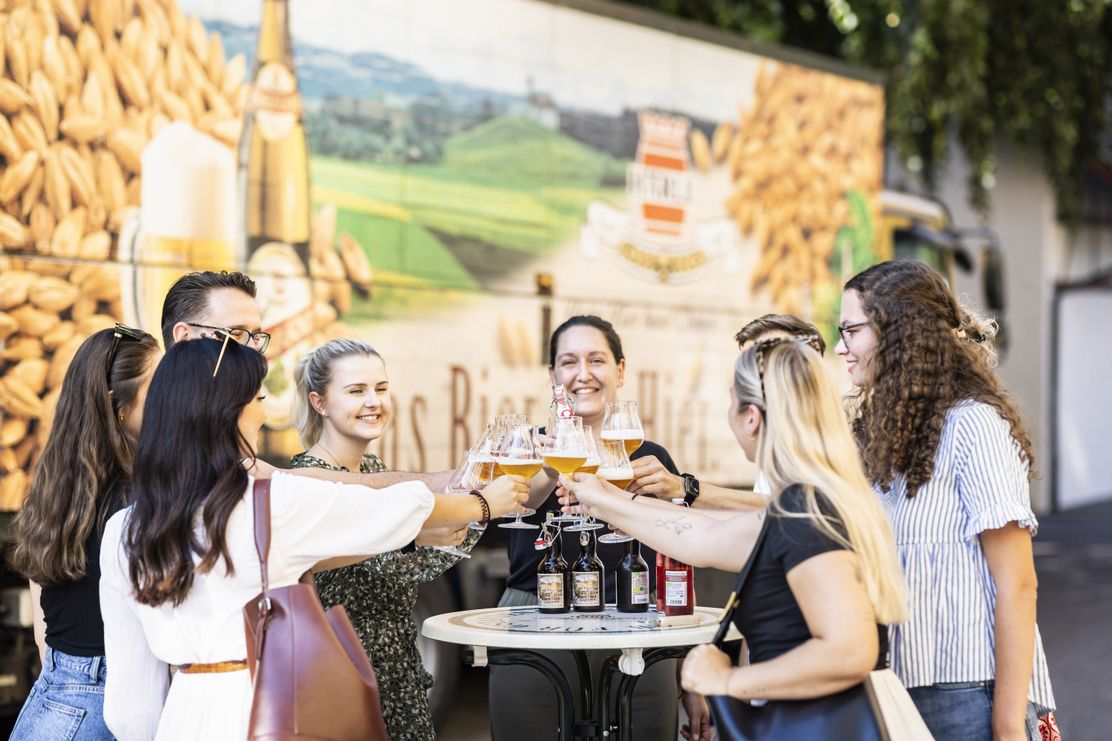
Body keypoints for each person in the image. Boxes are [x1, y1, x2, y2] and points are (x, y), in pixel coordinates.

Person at [97, 338, 525, 740]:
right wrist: (482, 504)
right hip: (268, 710)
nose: (262, 413)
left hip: (183, 716)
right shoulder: (268, 504)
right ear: (231, 410)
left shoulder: (123, 529)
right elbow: (392, 510)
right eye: (258, 399)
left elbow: (129, 708)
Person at [560, 336, 908, 734]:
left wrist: (727, 682)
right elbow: (702, 535)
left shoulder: (805, 514)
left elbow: (848, 650)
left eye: (731, 401)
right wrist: (602, 499)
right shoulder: (811, 501)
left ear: (751, 417)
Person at [837, 260, 1055, 740]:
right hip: (897, 687)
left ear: (899, 332)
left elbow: (1018, 584)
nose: (840, 347)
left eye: (850, 330)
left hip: (969, 695)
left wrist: (1006, 726)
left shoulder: (974, 425)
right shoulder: (888, 433)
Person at [489, 315, 684, 741]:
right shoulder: (529, 448)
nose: (583, 374)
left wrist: (690, 674)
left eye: (596, 360)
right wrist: (554, 457)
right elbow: (513, 502)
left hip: (635, 616)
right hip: (533, 615)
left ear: (620, 370)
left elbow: (680, 552)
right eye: (568, 362)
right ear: (552, 376)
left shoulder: (649, 458)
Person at [290, 339, 478, 741]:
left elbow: (413, 560)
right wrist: (476, 508)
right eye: (357, 391)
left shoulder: (374, 468)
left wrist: (465, 519)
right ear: (319, 402)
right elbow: (389, 554)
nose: (374, 401)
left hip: (396, 674)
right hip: (343, 675)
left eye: (381, 388)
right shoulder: (307, 479)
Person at [9, 325, 161, 740]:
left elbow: (39, 588)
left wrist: (67, 671)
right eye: (160, 386)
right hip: (103, 702)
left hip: (58, 698)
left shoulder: (59, 480)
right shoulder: (140, 494)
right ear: (118, 406)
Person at [628, 313, 827, 509]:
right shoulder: (776, 453)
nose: (748, 378)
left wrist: (683, 488)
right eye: (747, 363)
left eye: (770, 362)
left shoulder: (825, 451)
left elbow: (789, 510)